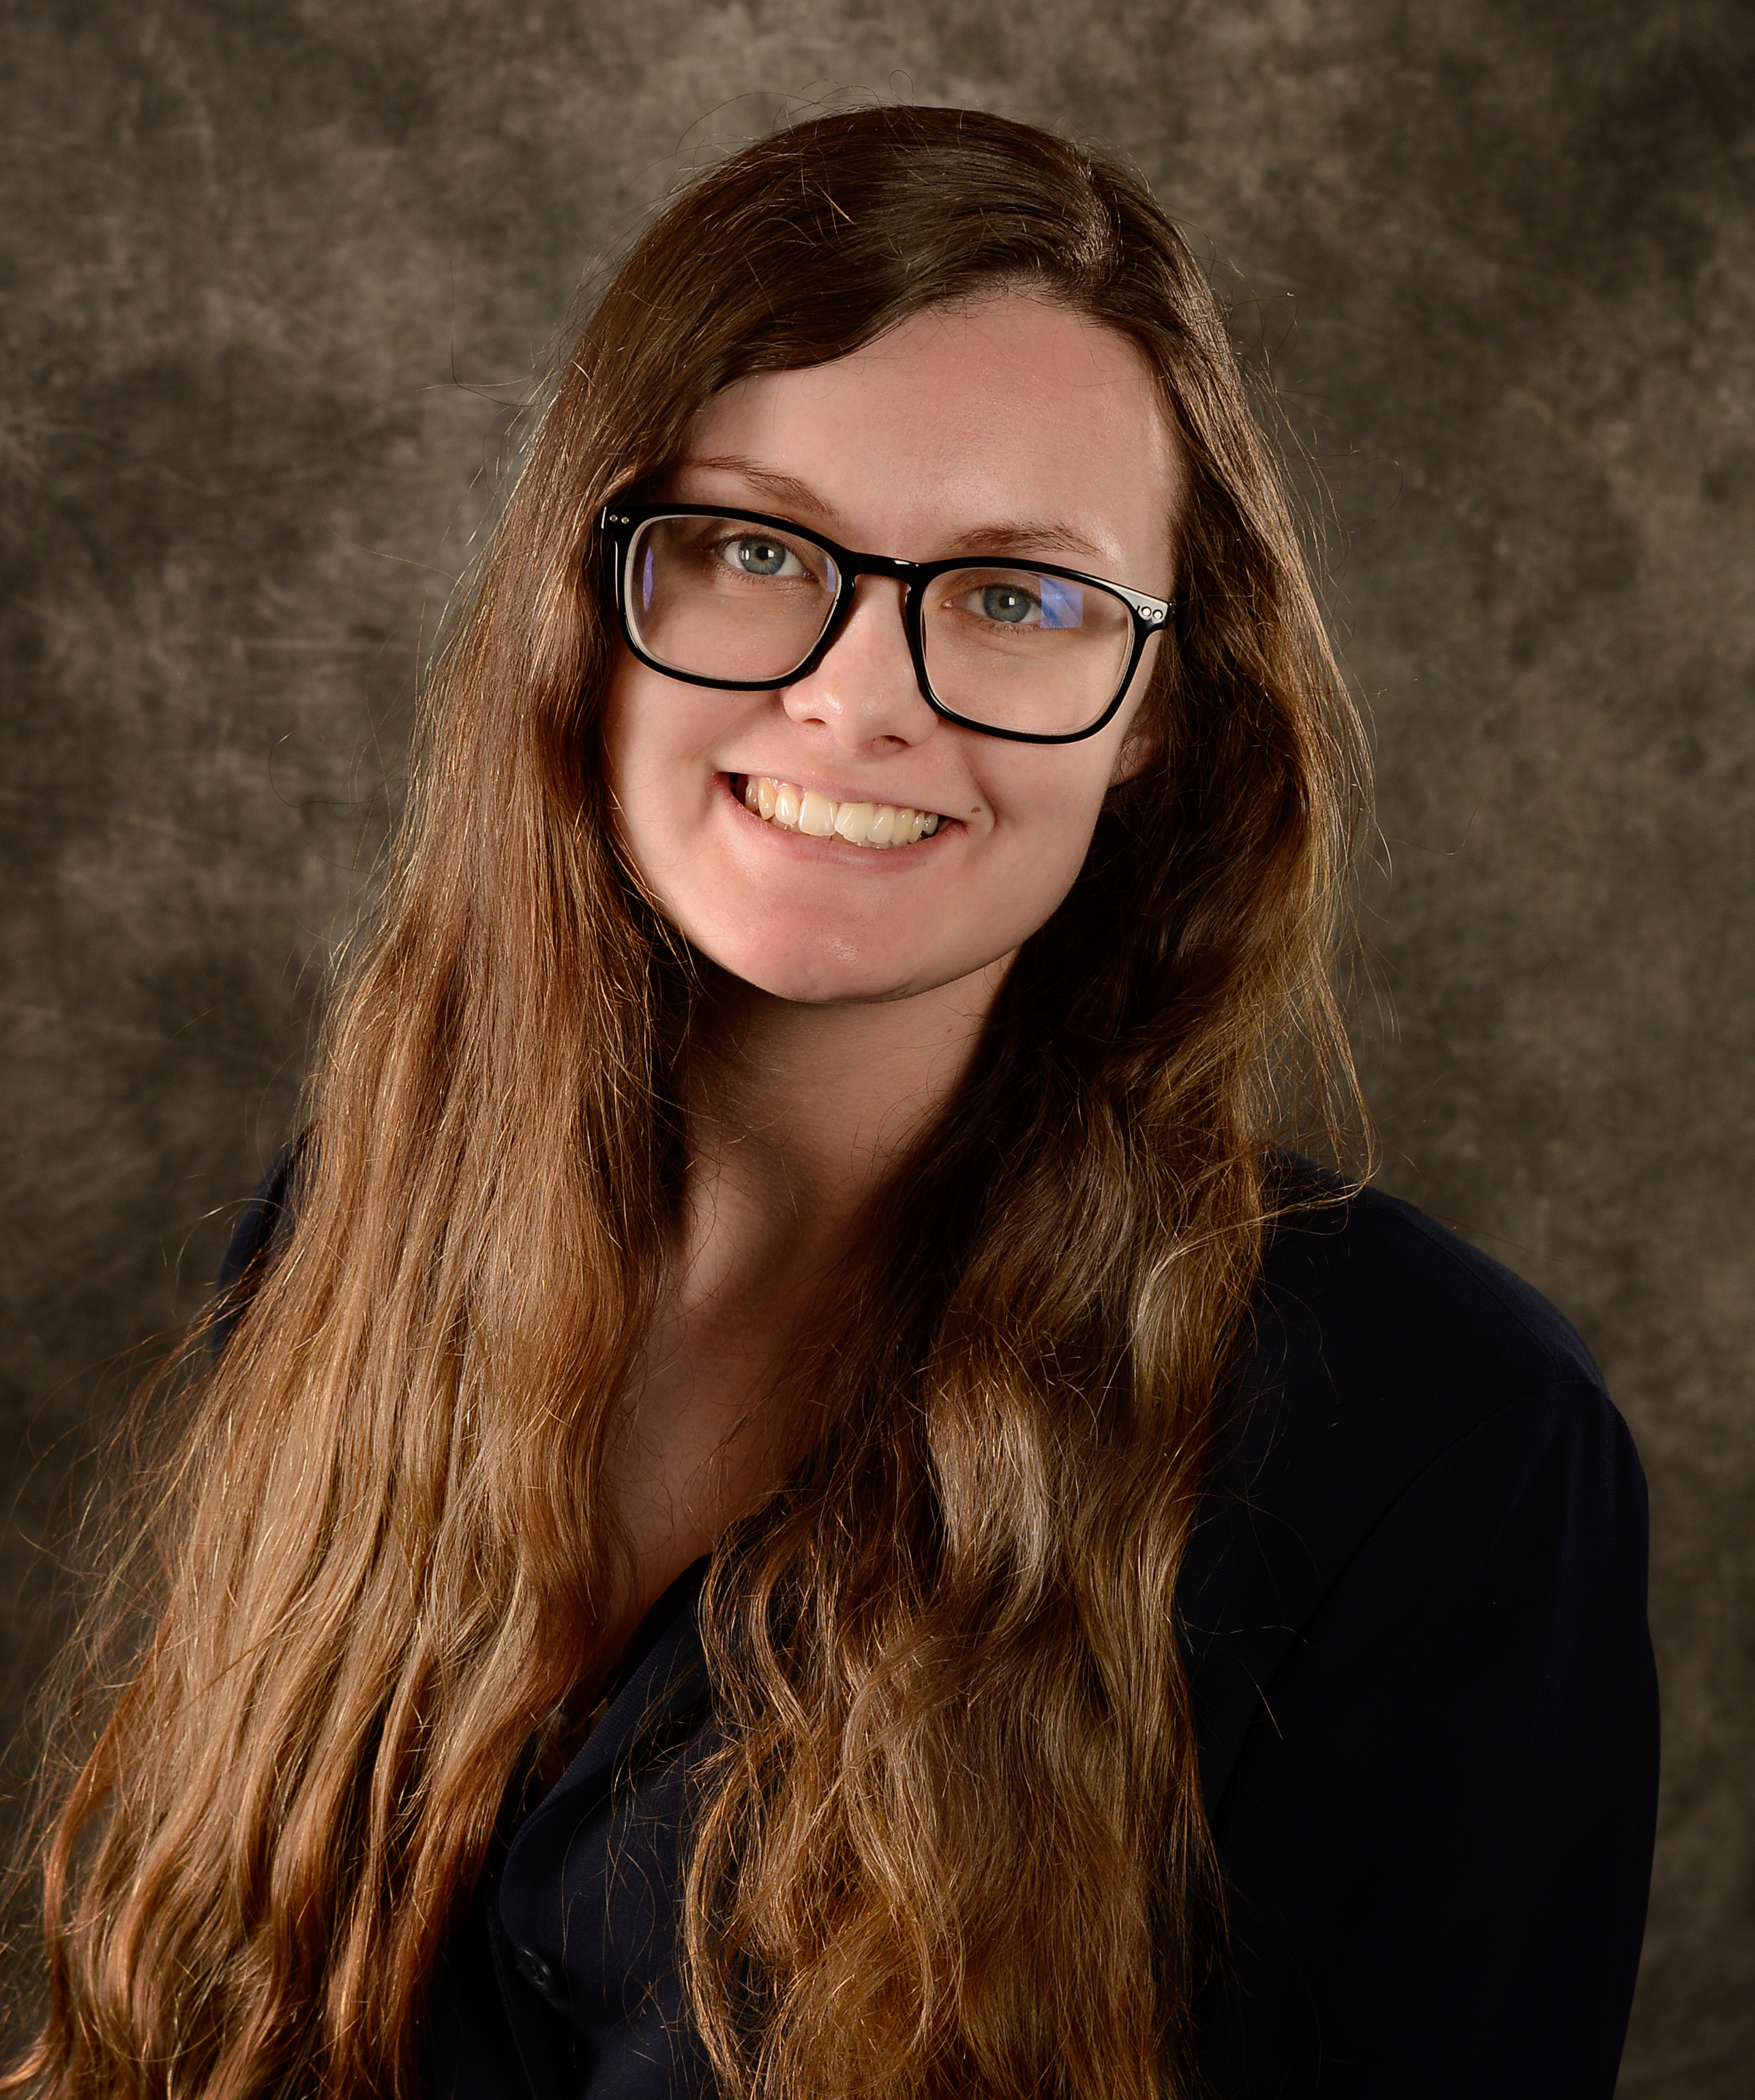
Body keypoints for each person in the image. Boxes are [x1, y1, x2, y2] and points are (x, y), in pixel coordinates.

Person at [8, 107, 1657, 2100]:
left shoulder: (1442, 1442)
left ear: (1158, 717)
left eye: (1017, 599)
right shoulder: (346, 1237)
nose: (863, 696)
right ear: (587, 598)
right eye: (746, 549)